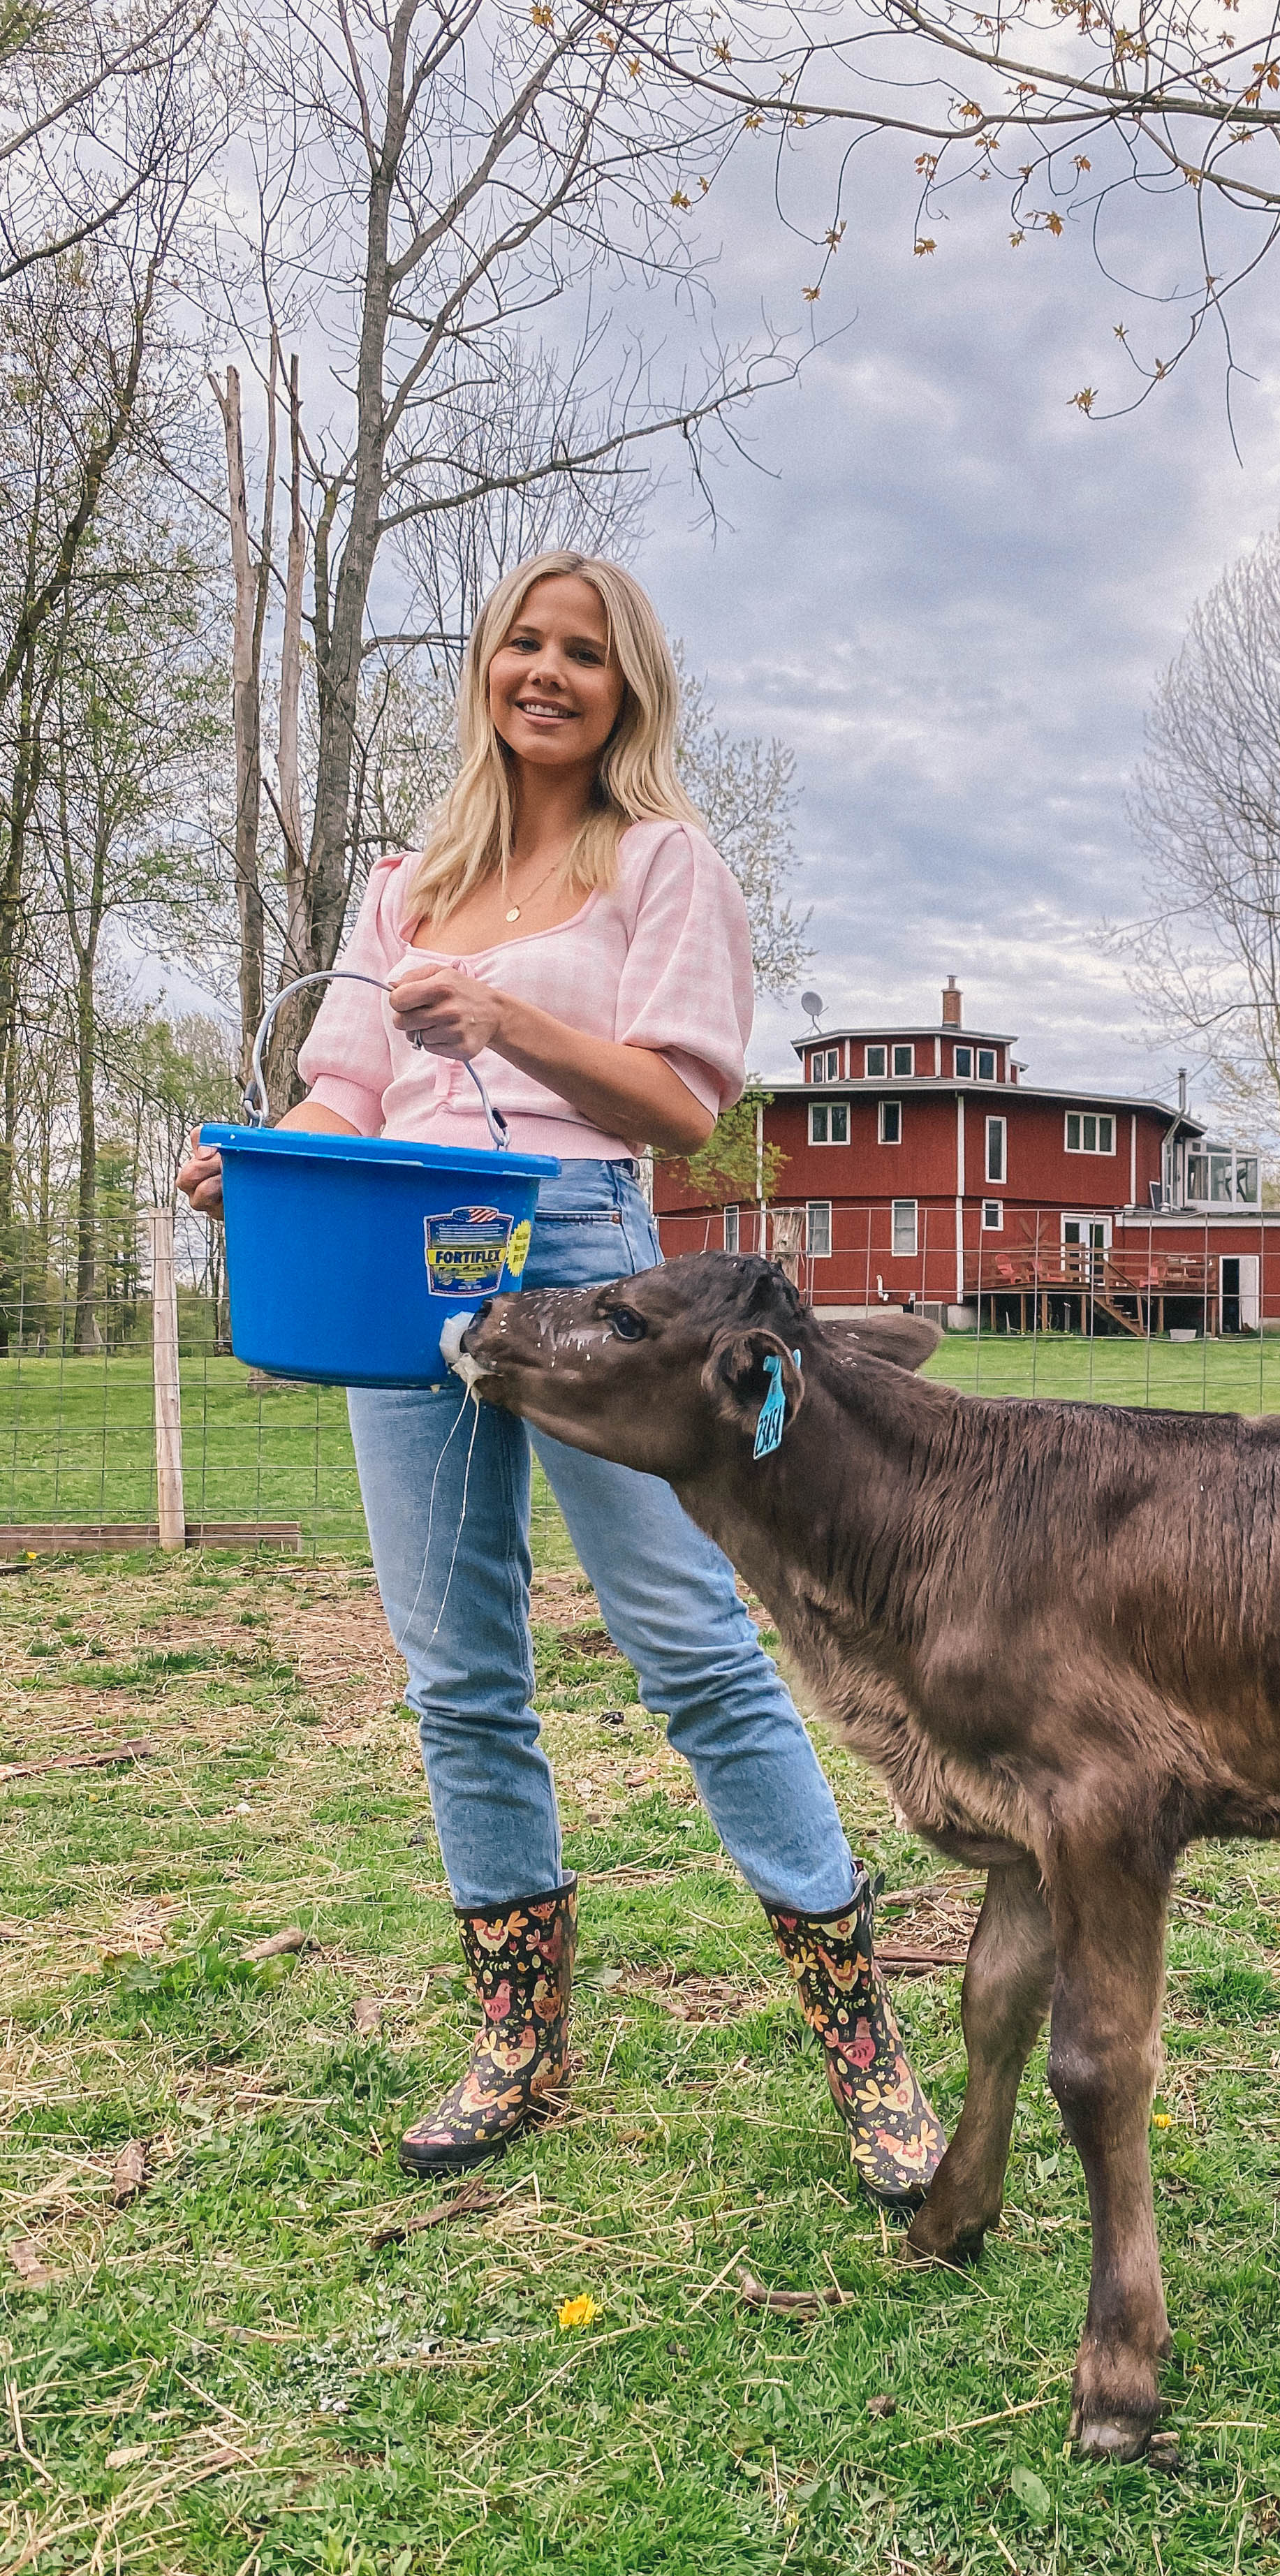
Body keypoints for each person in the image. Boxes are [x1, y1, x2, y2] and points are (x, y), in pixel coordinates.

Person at [179, 551, 946, 2205]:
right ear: (485, 666)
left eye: (581, 653)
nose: (546, 671)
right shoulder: (408, 886)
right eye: (521, 643)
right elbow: (347, 1100)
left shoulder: (661, 864)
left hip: (594, 1268)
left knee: (688, 1645)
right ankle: (518, 2038)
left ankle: (864, 2041)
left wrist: (510, 1019)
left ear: (624, 688)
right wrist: (255, 1165)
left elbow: (680, 1107)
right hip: (406, 1270)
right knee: (456, 1666)